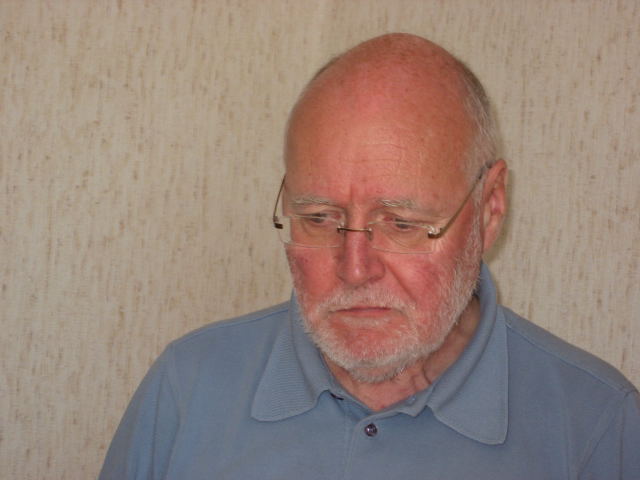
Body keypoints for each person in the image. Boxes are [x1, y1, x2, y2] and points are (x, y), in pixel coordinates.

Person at [99, 33, 639, 479]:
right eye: (319, 218)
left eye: (402, 225)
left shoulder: (598, 428)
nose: (355, 269)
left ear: (489, 210)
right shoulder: (186, 389)